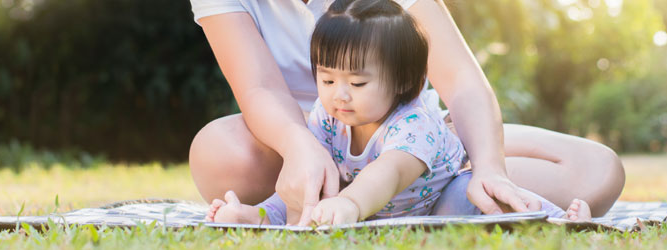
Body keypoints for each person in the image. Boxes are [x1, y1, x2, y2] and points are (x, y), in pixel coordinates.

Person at [188, 0, 624, 226]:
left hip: (411, 148)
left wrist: (490, 166)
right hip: (305, 138)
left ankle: (469, 157)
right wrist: (299, 146)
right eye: (330, 79)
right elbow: (259, 87)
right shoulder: (326, 114)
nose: (342, 91)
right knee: (218, 152)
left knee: (595, 171)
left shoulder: (410, 126)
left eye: (356, 82)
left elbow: (393, 169)